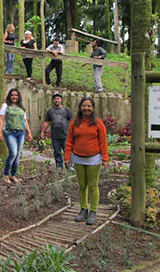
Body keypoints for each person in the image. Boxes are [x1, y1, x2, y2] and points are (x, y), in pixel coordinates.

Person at [64, 96, 108, 225]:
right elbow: (69, 140)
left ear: (93, 108)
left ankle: (93, 211)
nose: (86, 108)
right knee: (82, 185)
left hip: (94, 158)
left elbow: (103, 141)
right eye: (84, 105)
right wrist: (67, 156)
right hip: (78, 157)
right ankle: (83, 209)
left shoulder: (98, 123)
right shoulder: (74, 122)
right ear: (80, 107)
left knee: (93, 185)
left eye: (89, 106)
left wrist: (105, 157)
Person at [0, 88, 33, 184]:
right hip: (9, 132)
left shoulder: (21, 108)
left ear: (18, 97)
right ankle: (6, 175)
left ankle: (13, 175)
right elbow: (1, 119)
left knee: (17, 155)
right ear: (9, 96)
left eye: (16, 95)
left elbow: (24, 121)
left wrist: (29, 132)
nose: (14, 97)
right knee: (13, 153)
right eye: (12, 95)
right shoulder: (5, 106)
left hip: (20, 132)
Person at [41, 93, 73, 169]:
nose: (57, 100)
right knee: (57, 152)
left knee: (67, 151)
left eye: (58, 98)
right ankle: (59, 167)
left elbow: (72, 122)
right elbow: (47, 122)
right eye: (55, 99)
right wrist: (43, 131)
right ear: (53, 100)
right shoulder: (50, 111)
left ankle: (69, 166)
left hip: (65, 135)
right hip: (55, 136)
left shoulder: (66, 110)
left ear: (61, 100)